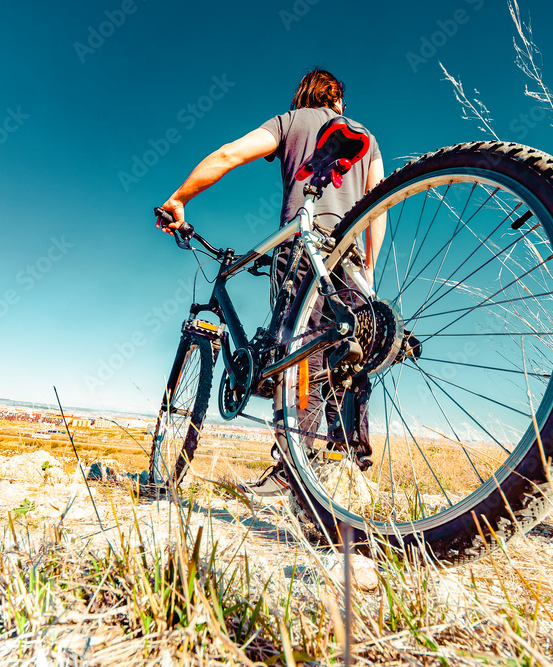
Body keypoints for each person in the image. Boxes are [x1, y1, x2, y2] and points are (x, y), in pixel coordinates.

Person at [157, 68, 385, 500]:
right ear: (340, 101)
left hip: (303, 248)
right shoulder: (367, 138)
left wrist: (180, 198)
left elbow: (229, 154)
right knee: (349, 350)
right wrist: (369, 265)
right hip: (350, 254)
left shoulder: (290, 121)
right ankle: (350, 463)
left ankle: (291, 470)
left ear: (305, 95)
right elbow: (379, 204)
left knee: (301, 356)